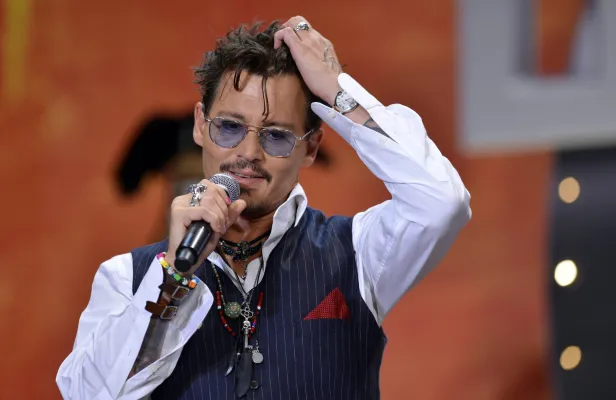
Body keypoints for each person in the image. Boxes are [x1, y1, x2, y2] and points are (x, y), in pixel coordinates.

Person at [57, 17, 471, 400]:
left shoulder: (358, 253)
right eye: (229, 127)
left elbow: (441, 201)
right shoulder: (127, 277)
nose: (248, 153)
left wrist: (337, 90)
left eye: (276, 136)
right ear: (201, 125)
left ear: (311, 146)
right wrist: (173, 277)